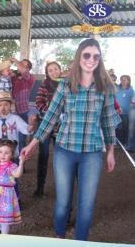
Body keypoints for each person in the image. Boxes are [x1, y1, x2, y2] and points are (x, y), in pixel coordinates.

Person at [20, 38, 121, 241]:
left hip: (92, 153)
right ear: (79, 57)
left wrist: (110, 151)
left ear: (99, 59)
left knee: (87, 203)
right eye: (86, 55)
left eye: (95, 56)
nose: (91, 60)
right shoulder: (66, 85)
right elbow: (51, 116)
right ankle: (59, 236)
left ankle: (80, 240)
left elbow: (108, 122)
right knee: (63, 202)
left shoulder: (106, 87)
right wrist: (33, 143)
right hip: (64, 151)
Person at [33, 61, 62, 197]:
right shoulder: (43, 85)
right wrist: (51, 111)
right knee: (43, 155)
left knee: (60, 157)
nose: (53, 72)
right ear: (47, 73)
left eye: (56, 69)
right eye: (50, 70)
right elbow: (38, 103)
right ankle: (40, 187)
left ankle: (62, 188)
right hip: (45, 124)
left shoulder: (65, 84)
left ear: (60, 70)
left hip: (61, 127)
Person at [11, 58, 35, 151]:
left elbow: (24, 72)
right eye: (20, 64)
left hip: (24, 112)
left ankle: (21, 162)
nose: (19, 66)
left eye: (23, 65)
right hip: (13, 112)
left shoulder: (30, 78)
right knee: (12, 137)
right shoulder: (14, 78)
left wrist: (16, 61)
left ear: (28, 69)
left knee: (21, 139)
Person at [115, 75, 134, 146]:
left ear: (128, 81)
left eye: (125, 80)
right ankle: (118, 143)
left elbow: (133, 101)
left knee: (125, 128)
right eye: (121, 79)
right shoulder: (117, 89)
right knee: (117, 128)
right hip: (116, 112)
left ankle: (125, 143)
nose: (123, 81)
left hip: (126, 113)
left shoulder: (131, 90)